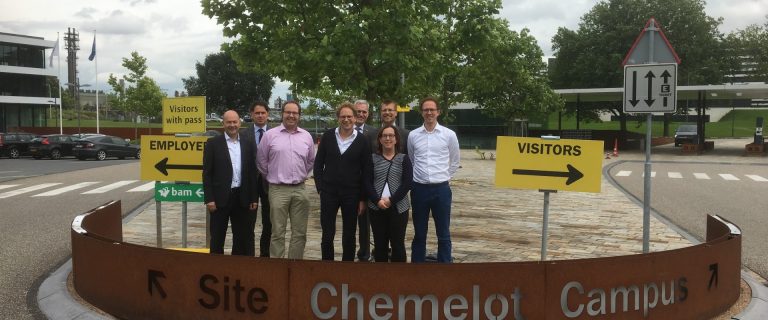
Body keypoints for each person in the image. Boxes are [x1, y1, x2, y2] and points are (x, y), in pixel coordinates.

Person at [314, 102, 373, 261]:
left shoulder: (363, 140)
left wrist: (362, 198)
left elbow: (366, 171)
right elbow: (318, 164)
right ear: (338, 118)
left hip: (351, 194)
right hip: (329, 193)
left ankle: (347, 267)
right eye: (343, 116)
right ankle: (327, 265)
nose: (346, 119)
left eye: (349, 116)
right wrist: (320, 187)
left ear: (355, 118)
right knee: (327, 234)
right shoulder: (328, 136)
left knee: (349, 234)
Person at [256, 101, 315, 259]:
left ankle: (295, 265)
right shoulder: (270, 135)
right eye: (288, 112)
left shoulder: (306, 136)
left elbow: (310, 161)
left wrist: (301, 175)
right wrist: (273, 175)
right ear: (282, 114)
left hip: (300, 189)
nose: (291, 115)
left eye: (295, 113)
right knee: (277, 232)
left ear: (299, 116)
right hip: (278, 190)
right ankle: (278, 267)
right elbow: (261, 162)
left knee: (299, 233)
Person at [407, 97, 460, 263]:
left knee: (443, 233)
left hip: (441, 190)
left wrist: (444, 177)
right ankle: (417, 268)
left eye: (432, 109)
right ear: (421, 112)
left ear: (438, 112)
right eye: (426, 110)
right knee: (419, 233)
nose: (429, 112)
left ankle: (444, 267)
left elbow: (455, 161)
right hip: (419, 189)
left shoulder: (449, 135)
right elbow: (412, 160)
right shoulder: (413, 135)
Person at [203, 110, 259, 255]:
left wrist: (254, 197)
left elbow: (252, 173)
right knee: (217, 238)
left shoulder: (248, 143)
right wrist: (209, 199)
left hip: (242, 197)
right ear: (223, 124)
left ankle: (237, 267)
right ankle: (217, 266)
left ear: (240, 123)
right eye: (229, 122)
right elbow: (207, 173)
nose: (232, 125)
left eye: (235, 122)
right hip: (219, 199)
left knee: (241, 238)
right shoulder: (213, 144)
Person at [364, 125, 412, 262]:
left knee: (398, 244)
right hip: (376, 207)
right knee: (380, 244)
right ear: (379, 139)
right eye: (384, 136)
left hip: (399, 207)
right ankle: (381, 274)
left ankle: (398, 274)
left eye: (391, 135)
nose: (388, 138)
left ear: (396, 139)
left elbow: (407, 183)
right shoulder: (372, 158)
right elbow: (367, 182)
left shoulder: (404, 159)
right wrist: (377, 200)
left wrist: (391, 200)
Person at [241, 100, 272, 257]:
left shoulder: (276, 133)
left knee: (269, 221)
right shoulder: (242, 134)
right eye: (257, 113)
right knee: (248, 222)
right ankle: (249, 255)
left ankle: (265, 254)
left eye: (263, 113)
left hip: (270, 182)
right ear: (251, 114)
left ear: (268, 114)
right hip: (249, 183)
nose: (260, 116)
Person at [353, 99, 378, 261]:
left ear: (368, 114)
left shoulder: (375, 133)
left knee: (366, 221)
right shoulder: (343, 130)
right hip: (349, 183)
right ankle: (354, 252)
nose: (361, 114)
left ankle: (366, 253)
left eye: (364, 112)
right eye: (358, 111)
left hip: (369, 183)